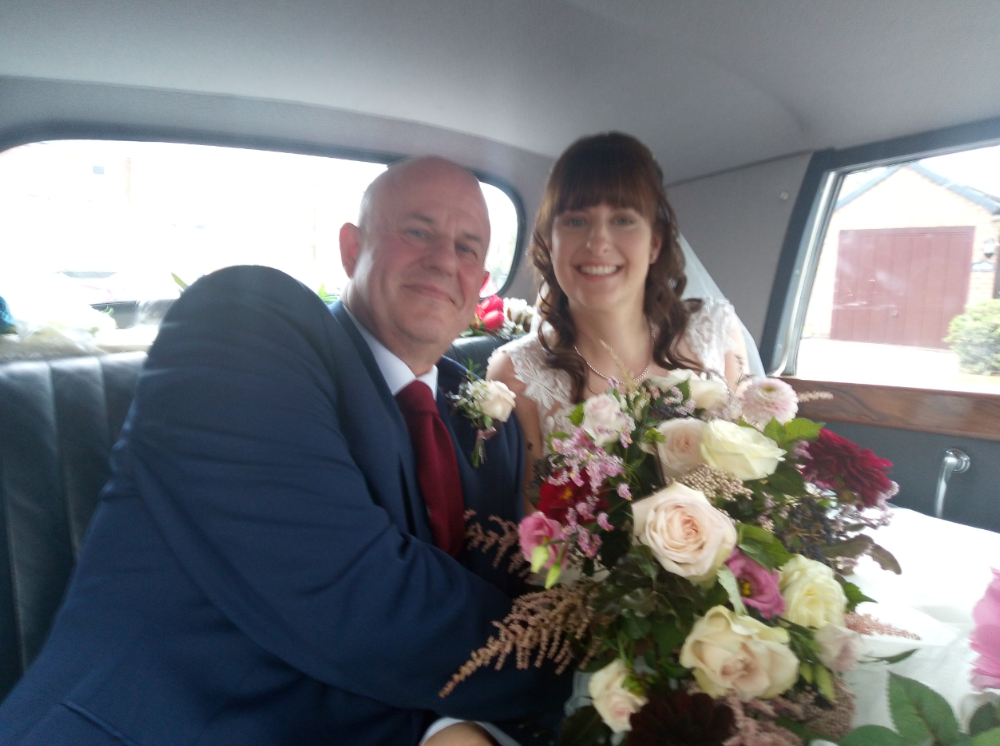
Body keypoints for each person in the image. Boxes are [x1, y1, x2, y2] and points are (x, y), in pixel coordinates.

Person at [0, 157, 570, 746]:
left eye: (467, 247)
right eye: (417, 231)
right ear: (351, 249)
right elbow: (356, 598)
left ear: (481, 283)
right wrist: (576, 661)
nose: (444, 260)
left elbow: (506, 590)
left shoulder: (482, 414)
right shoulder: (241, 331)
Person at [488, 132, 750, 475]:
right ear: (550, 243)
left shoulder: (716, 333)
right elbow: (535, 522)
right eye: (576, 221)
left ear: (654, 243)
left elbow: (755, 474)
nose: (598, 243)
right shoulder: (516, 375)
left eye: (623, 219)